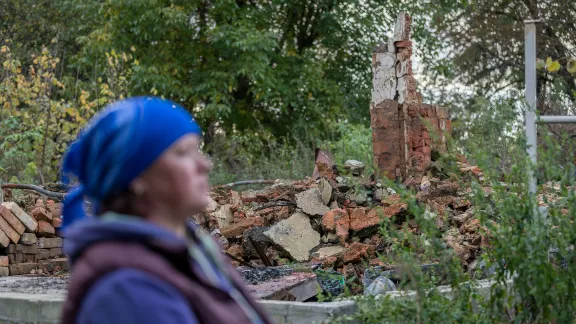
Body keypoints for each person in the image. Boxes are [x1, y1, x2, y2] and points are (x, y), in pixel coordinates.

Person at [59, 97, 273, 324]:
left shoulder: (192, 249)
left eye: (196, 150)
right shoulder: (130, 290)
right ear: (137, 176)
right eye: (182, 153)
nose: (204, 165)